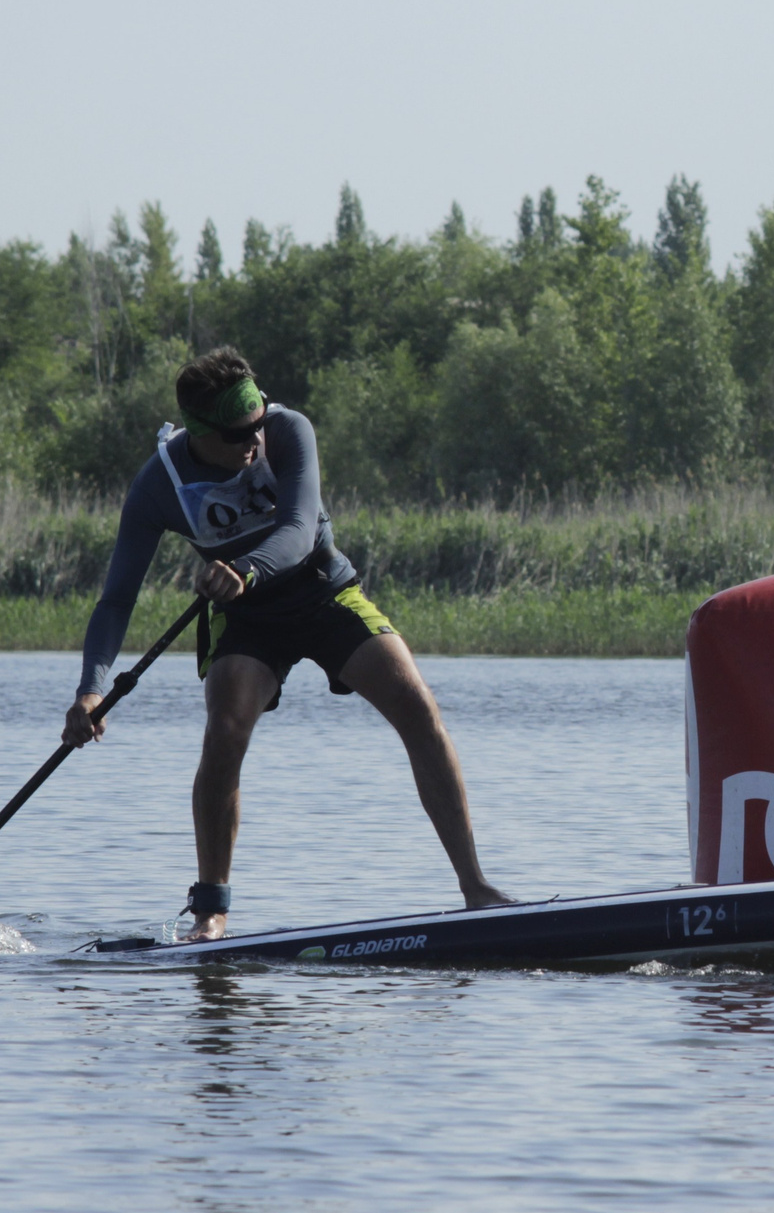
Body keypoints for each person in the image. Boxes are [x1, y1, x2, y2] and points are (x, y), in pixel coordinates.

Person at [63, 347, 509, 938]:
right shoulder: (158, 486)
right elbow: (116, 600)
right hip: (248, 621)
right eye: (238, 433)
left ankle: (477, 888)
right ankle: (211, 911)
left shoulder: (289, 429)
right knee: (225, 730)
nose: (255, 440)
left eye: (258, 423)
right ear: (199, 432)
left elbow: (299, 531)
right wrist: (91, 692)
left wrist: (243, 568)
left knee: (419, 707)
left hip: (324, 590)